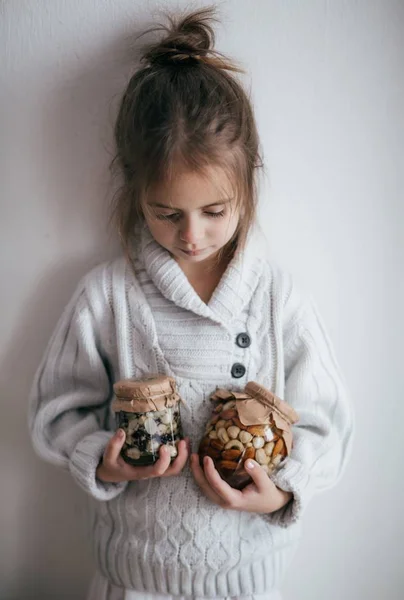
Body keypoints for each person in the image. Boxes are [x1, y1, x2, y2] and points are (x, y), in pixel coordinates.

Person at [28, 7, 353, 600]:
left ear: (247, 186)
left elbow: (328, 424)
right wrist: (106, 461)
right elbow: (55, 410)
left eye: (215, 211)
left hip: (247, 577)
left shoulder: (280, 301)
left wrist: (280, 493)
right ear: (134, 193)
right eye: (167, 213)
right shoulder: (109, 295)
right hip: (131, 579)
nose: (192, 236)